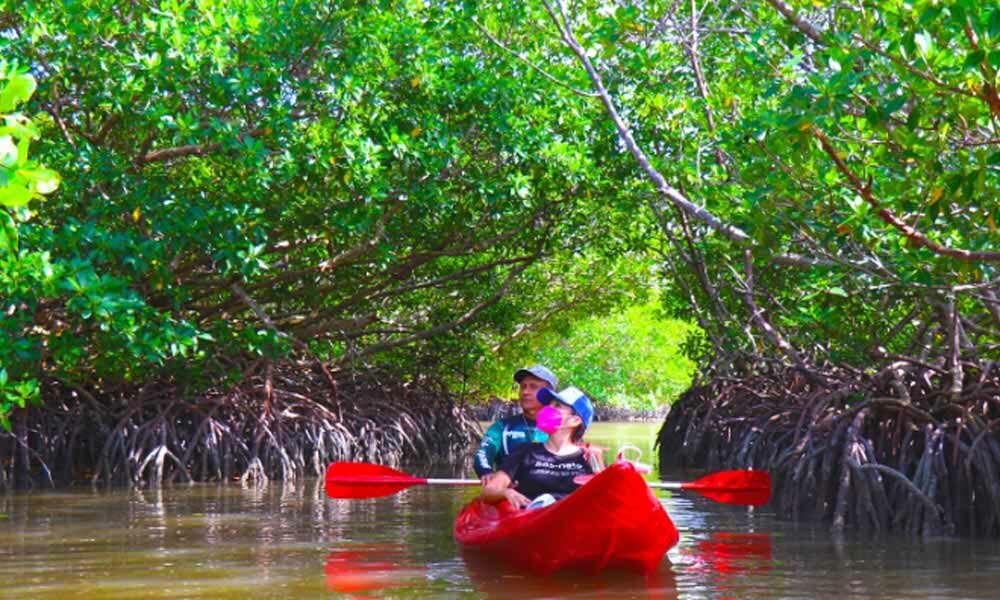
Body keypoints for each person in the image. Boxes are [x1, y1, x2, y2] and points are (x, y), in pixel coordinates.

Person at [480, 386, 595, 510]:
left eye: (557, 406)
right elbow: (488, 493)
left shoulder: (587, 458)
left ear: (575, 420)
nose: (547, 409)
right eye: (548, 405)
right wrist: (505, 493)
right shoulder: (524, 451)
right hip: (530, 519)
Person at [473, 365, 557, 485]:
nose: (525, 392)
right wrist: (486, 473)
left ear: (549, 394)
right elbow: (482, 455)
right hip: (509, 493)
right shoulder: (501, 428)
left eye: (533, 386)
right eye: (523, 387)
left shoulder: (563, 429)